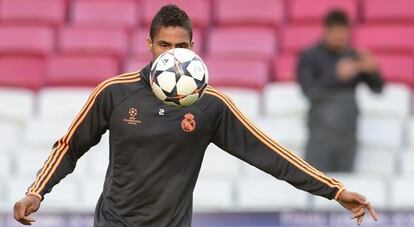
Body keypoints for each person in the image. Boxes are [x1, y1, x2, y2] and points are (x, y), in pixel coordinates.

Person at [14, 4, 378, 227]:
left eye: (181, 46)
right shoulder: (115, 91)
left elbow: (268, 153)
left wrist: (335, 191)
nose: (172, 55)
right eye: (164, 46)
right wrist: (36, 192)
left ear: (193, 47)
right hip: (113, 224)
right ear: (149, 46)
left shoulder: (210, 105)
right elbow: (69, 146)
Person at [298, 10, 384, 172]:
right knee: (315, 186)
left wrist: (373, 71)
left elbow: (377, 89)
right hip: (319, 135)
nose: (341, 38)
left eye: (344, 34)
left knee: (345, 189)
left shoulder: (353, 56)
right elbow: (308, 91)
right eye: (337, 33)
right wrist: (336, 76)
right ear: (326, 31)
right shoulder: (310, 55)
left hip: (347, 135)